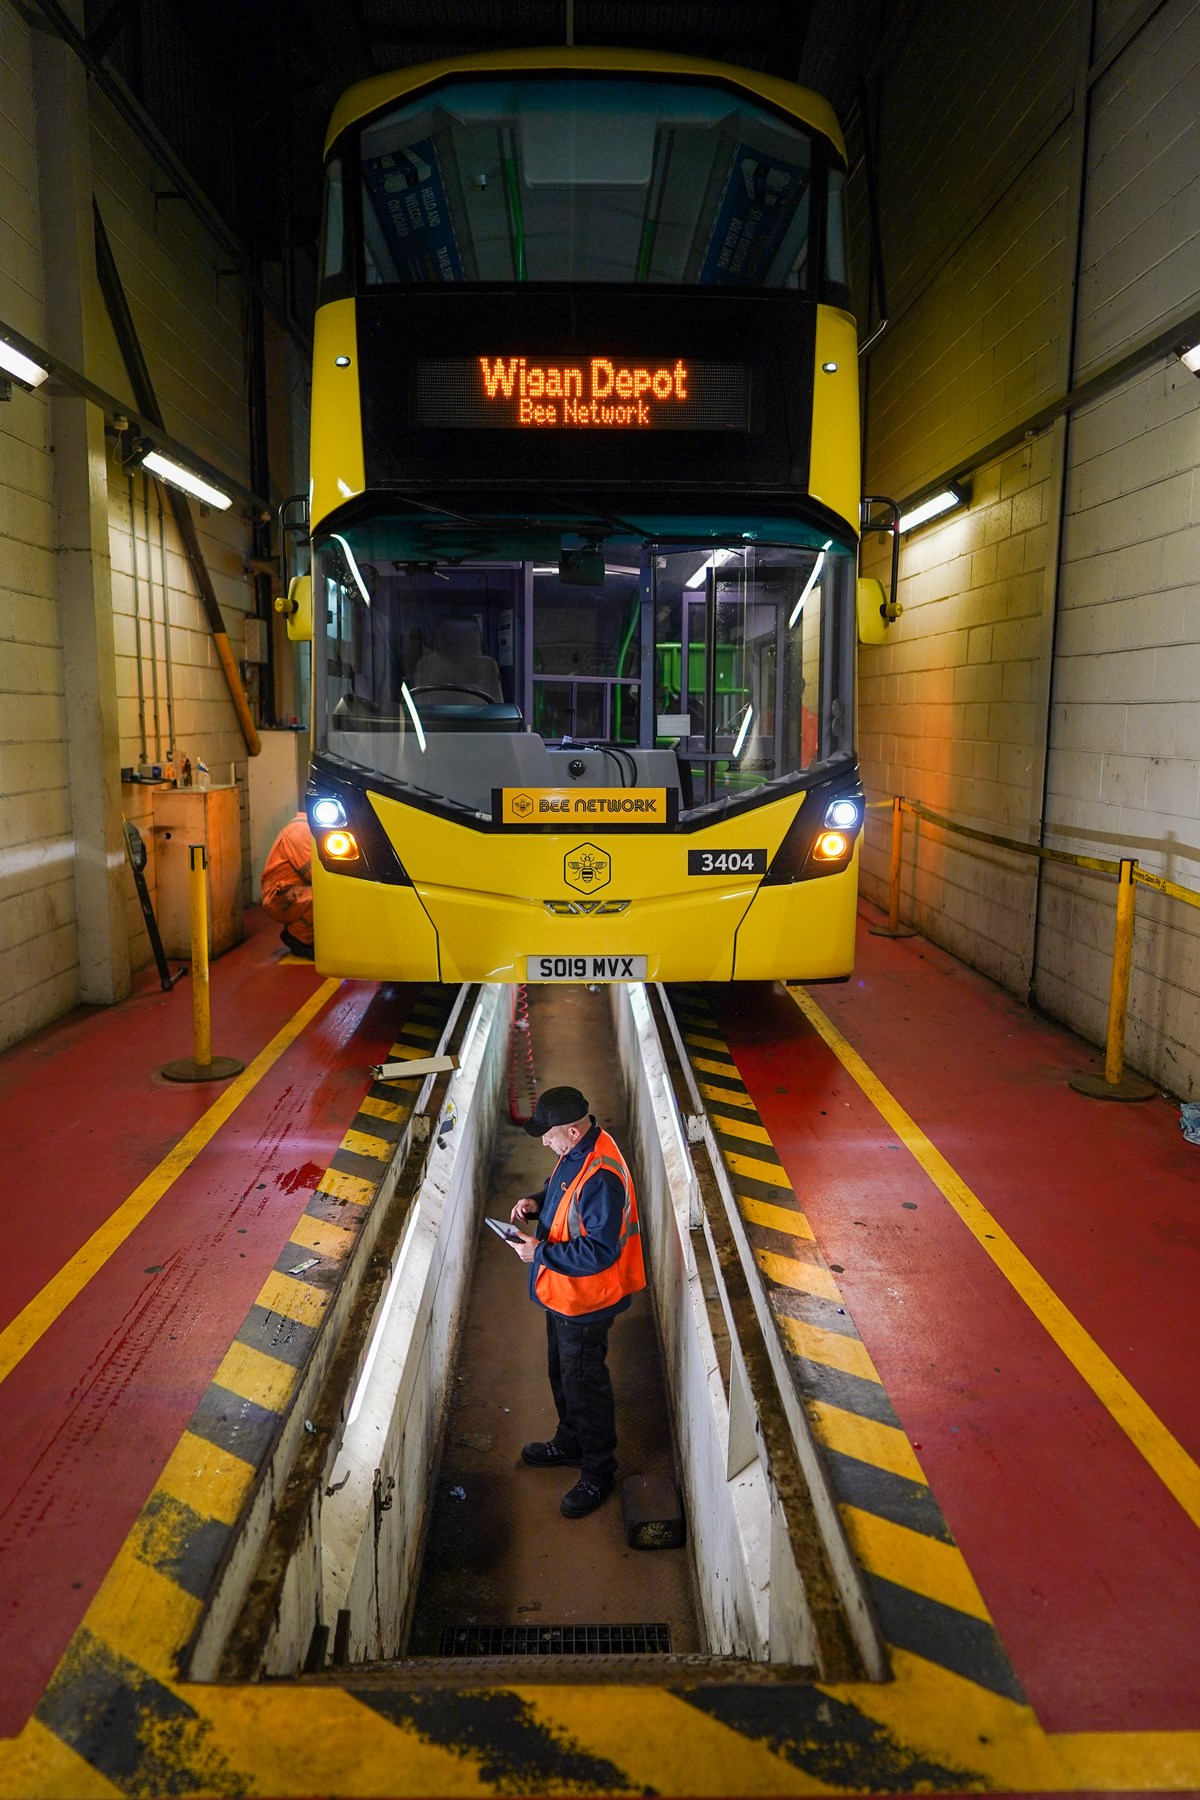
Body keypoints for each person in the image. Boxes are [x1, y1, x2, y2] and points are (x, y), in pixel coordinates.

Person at [506, 1085, 645, 1518]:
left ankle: (598, 1471)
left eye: (548, 1134)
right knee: (562, 1372)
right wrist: (538, 1201)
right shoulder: (579, 1148)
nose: (544, 1142)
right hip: (562, 1295)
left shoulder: (601, 1175)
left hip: (586, 1300)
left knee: (586, 1386)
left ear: (569, 1130)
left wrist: (538, 1252)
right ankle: (570, 1441)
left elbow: (600, 1251)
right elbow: (563, 1188)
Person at [261, 811, 314, 958]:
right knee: (327, 895)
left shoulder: (305, 827)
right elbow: (317, 875)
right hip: (280, 900)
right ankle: (299, 938)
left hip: (290, 893)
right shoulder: (301, 832)